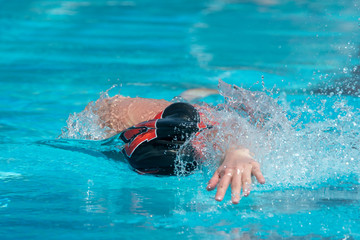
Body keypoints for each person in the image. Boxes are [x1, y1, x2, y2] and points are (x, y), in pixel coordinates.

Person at [88, 90, 265, 205]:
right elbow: (104, 105)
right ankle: (189, 95)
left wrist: (237, 151)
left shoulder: (202, 134)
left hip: (185, 115)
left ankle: (190, 95)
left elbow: (227, 129)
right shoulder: (118, 114)